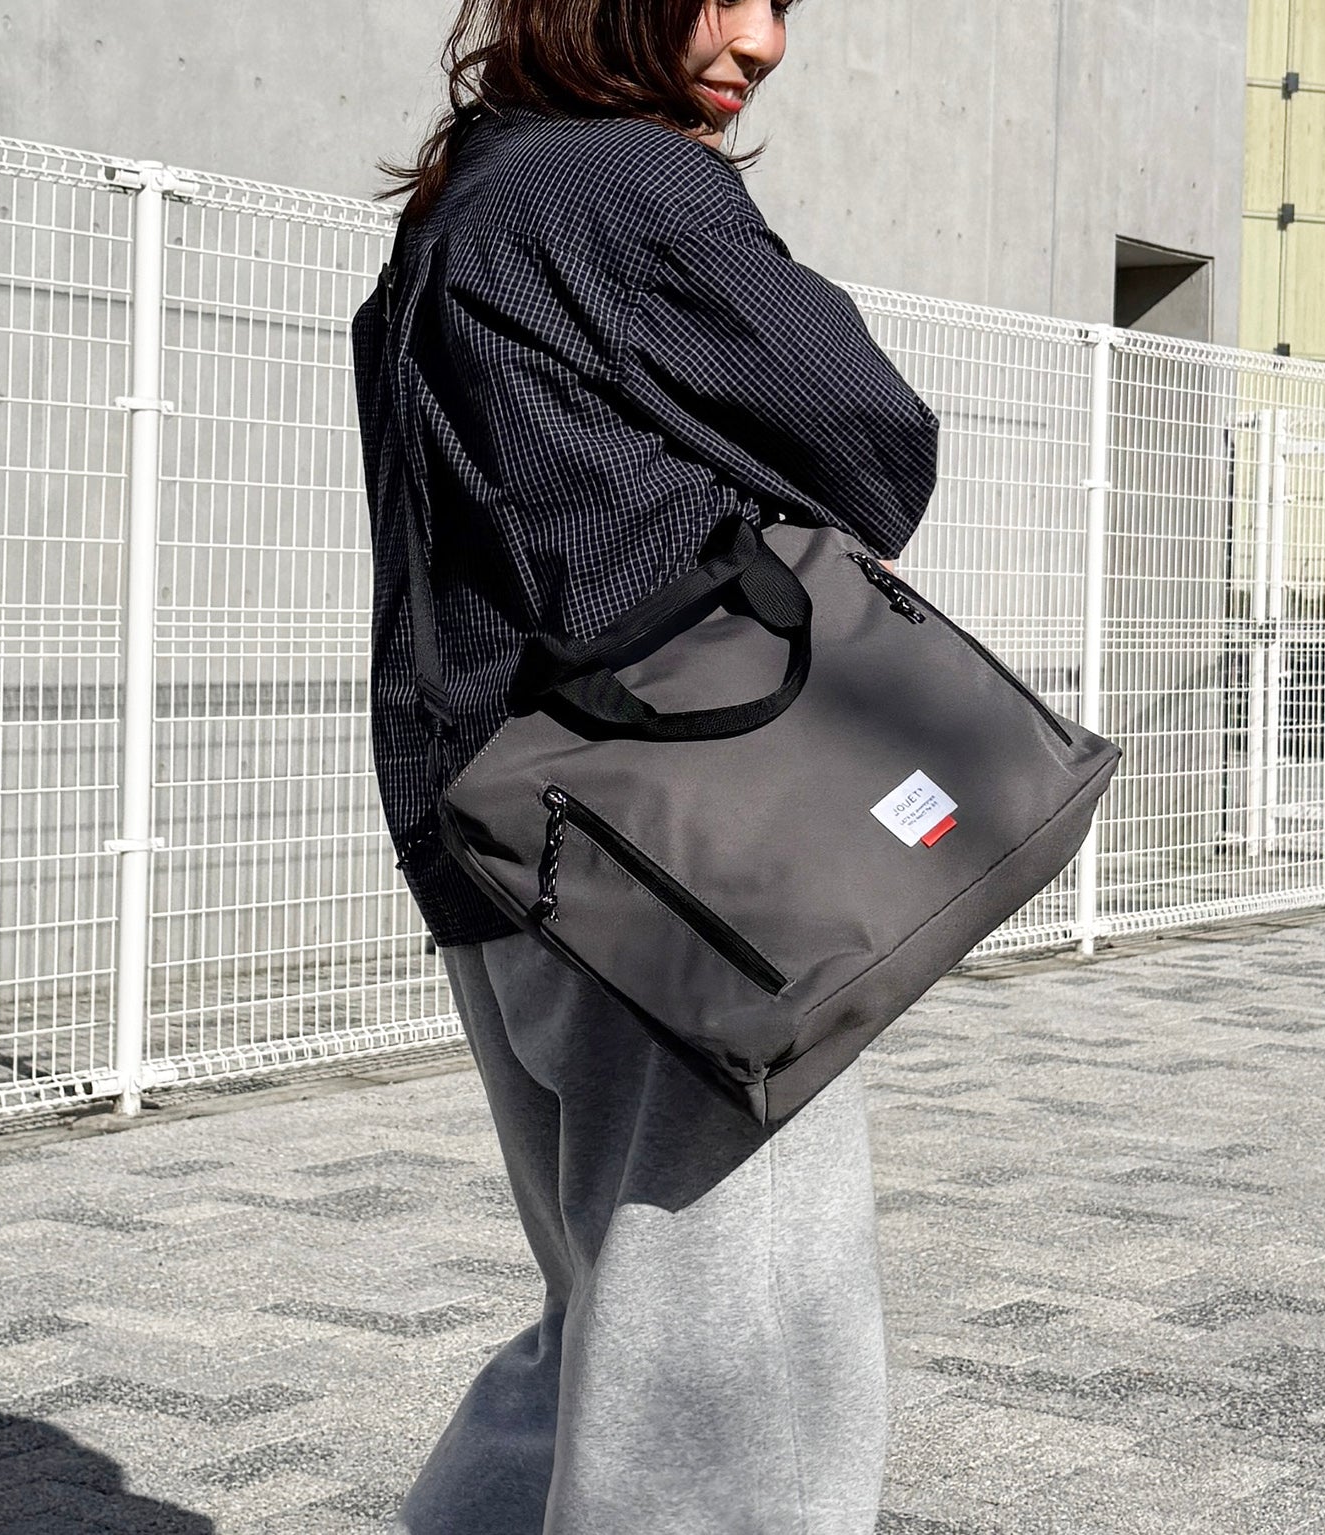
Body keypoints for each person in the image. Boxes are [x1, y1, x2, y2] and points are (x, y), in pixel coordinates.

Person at [351, 3, 941, 1531]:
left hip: (504, 827)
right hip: (669, 833)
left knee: (608, 1328)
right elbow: (874, 441)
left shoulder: (470, 198)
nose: (763, 38)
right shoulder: (628, 185)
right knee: (734, 1372)